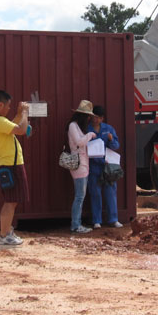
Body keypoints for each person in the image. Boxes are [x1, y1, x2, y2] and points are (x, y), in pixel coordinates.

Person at [0, 90, 31, 246]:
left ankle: (7, 232)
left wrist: (18, 115)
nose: (9, 109)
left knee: (12, 199)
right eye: (8, 106)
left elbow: (13, 126)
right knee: (11, 201)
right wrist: (24, 113)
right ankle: (4, 236)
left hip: (8, 163)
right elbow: (21, 129)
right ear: (0, 105)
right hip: (10, 164)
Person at [87, 105, 122, 229]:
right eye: (93, 117)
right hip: (94, 166)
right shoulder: (87, 129)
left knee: (110, 193)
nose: (94, 119)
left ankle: (113, 219)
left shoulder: (109, 129)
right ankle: (97, 220)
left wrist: (111, 140)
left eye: (97, 117)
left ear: (102, 118)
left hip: (108, 166)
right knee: (95, 193)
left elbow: (116, 145)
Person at [67, 100, 97, 233]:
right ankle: (75, 224)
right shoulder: (73, 126)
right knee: (79, 196)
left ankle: (76, 223)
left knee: (80, 195)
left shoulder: (77, 126)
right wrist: (90, 135)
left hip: (83, 163)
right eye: (88, 116)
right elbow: (79, 142)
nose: (89, 119)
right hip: (79, 163)